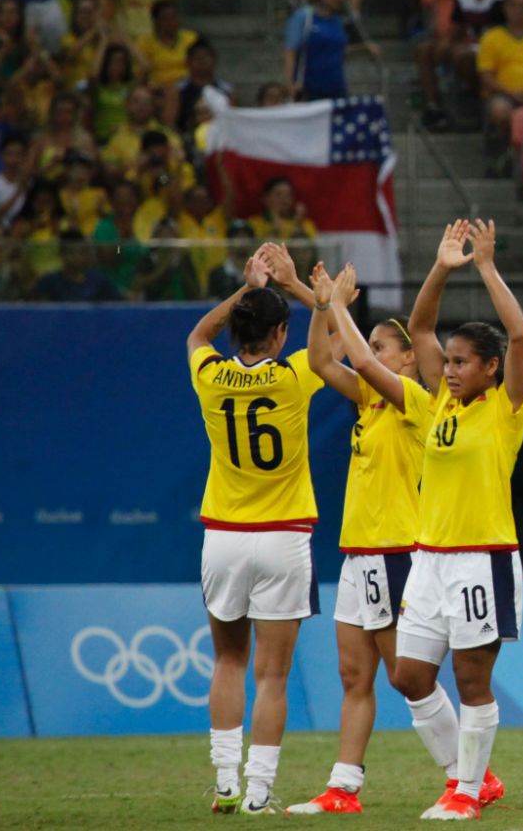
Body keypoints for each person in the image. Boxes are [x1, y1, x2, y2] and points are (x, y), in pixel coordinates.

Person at [389, 220, 523, 819]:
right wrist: (443, 267)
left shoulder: (508, 409)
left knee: (474, 681)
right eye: (447, 361)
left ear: (491, 369)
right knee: (408, 676)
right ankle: (467, 776)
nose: (448, 370)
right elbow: (419, 326)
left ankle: (467, 793)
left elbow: (520, 334)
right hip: (428, 557)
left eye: (462, 363)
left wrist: (487, 268)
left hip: (482, 557)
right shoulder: (441, 401)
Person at [184, 243, 328, 816]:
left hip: (222, 536)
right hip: (284, 536)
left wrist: (246, 288)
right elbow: (334, 334)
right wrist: (294, 285)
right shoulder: (295, 375)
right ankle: (259, 790)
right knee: (273, 674)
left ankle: (223, 780)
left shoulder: (212, 375)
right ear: (279, 335)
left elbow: (197, 335)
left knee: (228, 662)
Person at [288, 265, 431, 814]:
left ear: (408, 357)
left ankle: (469, 773)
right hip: (357, 553)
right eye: (369, 344)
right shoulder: (368, 403)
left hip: (396, 550)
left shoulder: (412, 399)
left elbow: (359, 361)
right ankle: (343, 789)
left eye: (380, 346)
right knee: (354, 675)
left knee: (407, 678)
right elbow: (324, 361)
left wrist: (334, 304)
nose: (367, 353)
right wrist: (323, 306)